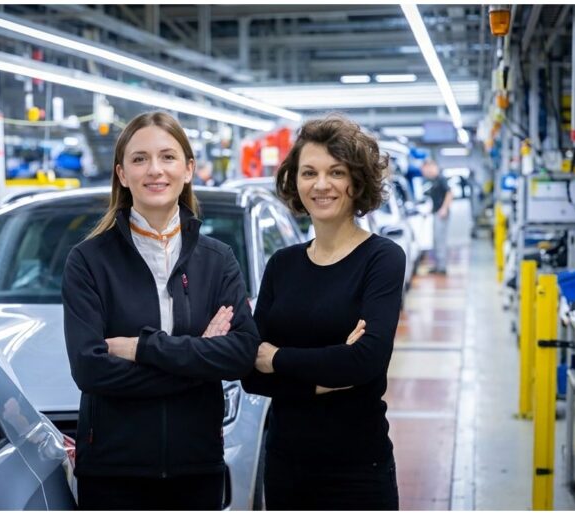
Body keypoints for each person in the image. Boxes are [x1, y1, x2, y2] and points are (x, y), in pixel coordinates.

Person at [62, 111, 259, 510]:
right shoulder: (88, 261)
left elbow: (240, 355)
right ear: (121, 173)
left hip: (196, 468)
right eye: (139, 159)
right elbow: (90, 369)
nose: (155, 170)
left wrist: (143, 348)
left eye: (168, 157)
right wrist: (198, 359)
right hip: (113, 473)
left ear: (188, 169)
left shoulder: (217, 260)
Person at [241, 115, 405, 510]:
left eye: (336, 172)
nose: (321, 184)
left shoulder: (381, 259)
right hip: (285, 466)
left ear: (357, 181)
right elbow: (249, 373)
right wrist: (326, 375)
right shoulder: (282, 264)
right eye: (309, 172)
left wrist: (276, 358)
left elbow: (365, 363)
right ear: (294, 181)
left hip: (357, 468)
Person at [421, 159, 453, 274]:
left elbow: (450, 193)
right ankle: (438, 265)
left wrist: (444, 209)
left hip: (441, 213)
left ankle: (442, 267)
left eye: (426, 169)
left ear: (432, 167)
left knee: (440, 240)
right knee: (435, 240)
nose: (426, 172)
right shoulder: (432, 181)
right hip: (436, 212)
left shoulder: (441, 179)